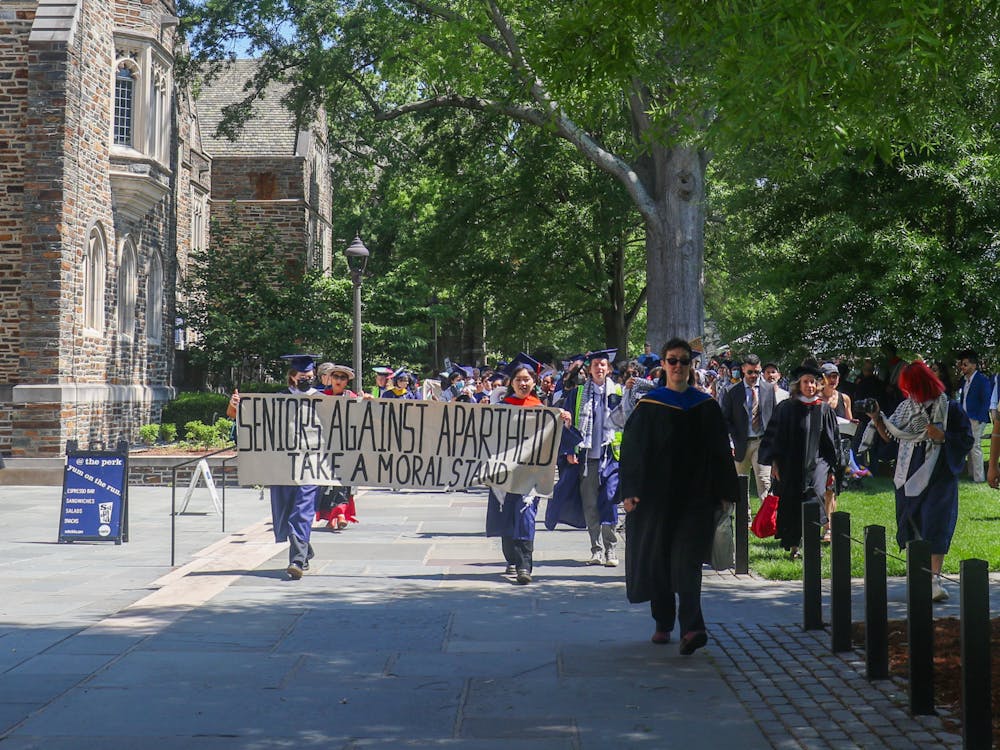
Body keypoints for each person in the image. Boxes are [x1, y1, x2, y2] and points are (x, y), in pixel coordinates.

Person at [619, 337, 738, 653]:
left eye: (684, 361)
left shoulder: (706, 406)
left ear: (691, 365)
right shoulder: (649, 406)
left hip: (696, 498)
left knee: (687, 563)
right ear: (663, 365)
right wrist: (629, 491)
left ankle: (692, 628)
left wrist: (726, 493)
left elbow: (720, 453)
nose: (678, 366)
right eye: (672, 360)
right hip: (655, 499)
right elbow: (632, 451)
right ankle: (662, 621)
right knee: (659, 560)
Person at [859, 361, 974, 601]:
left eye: (912, 387)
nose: (909, 392)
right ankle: (917, 576)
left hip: (939, 472)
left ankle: (934, 579)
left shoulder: (949, 408)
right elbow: (890, 436)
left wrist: (943, 436)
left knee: (936, 522)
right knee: (911, 521)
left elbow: (966, 439)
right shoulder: (905, 408)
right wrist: (877, 418)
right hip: (908, 470)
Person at [227, 354, 323, 580]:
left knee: (302, 510)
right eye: (302, 376)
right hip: (281, 465)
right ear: (292, 377)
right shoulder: (278, 398)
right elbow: (242, 417)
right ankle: (305, 549)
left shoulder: (322, 400)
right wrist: (235, 406)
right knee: (286, 510)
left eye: (309, 376)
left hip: (310, 466)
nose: (306, 380)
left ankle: (297, 560)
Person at [485, 354, 571, 584]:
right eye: (519, 379)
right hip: (504, 472)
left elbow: (554, 440)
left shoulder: (543, 410)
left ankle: (524, 565)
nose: (523, 383)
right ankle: (512, 559)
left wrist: (563, 420)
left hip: (531, 473)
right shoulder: (501, 408)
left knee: (525, 515)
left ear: (534, 382)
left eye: (527, 379)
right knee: (507, 515)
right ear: (511, 383)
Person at [759, 362, 842, 559]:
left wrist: (832, 468)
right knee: (791, 503)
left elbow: (832, 442)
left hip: (818, 464)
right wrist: (774, 463)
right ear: (798, 384)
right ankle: (794, 546)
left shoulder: (823, 410)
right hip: (790, 464)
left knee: (815, 498)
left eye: (813, 382)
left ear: (818, 385)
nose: (810, 386)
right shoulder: (786, 408)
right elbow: (774, 438)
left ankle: (813, 545)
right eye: (806, 382)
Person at [549, 349, 624, 566]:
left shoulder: (618, 392)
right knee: (590, 504)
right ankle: (596, 549)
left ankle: (611, 550)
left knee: (609, 500)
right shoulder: (578, 393)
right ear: (589, 370)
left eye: (603, 364)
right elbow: (568, 424)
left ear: (608, 368)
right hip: (587, 458)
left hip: (611, 455)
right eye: (595, 365)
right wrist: (570, 450)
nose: (599, 368)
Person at [720, 353, 776, 517]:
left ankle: (767, 520)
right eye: (750, 372)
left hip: (762, 442)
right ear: (743, 370)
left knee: (765, 482)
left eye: (757, 372)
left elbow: (773, 417)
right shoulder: (732, 391)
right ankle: (745, 518)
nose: (754, 376)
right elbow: (725, 419)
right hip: (741, 443)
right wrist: (732, 439)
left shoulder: (767, 389)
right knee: (741, 483)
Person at [315, 362, 363, 530]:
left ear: (346, 382)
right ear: (330, 379)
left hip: (346, 448)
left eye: (343, 378)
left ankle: (341, 513)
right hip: (325, 447)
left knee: (342, 480)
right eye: (336, 376)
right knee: (326, 482)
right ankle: (332, 517)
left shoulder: (352, 397)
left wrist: (368, 401)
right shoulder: (321, 396)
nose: (339, 380)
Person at [957, 350, 990, 483]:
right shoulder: (964, 381)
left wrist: (980, 418)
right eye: (962, 364)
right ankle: (972, 474)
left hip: (976, 417)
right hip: (965, 417)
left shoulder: (982, 380)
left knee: (975, 446)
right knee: (969, 445)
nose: (962, 367)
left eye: (965, 364)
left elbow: (986, 400)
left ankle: (979, 477)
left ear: (974, 365)